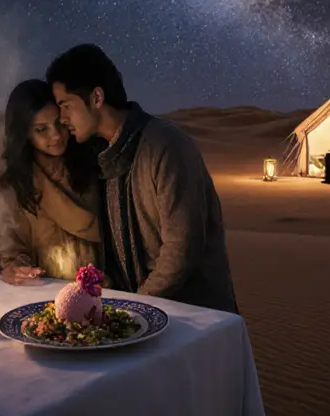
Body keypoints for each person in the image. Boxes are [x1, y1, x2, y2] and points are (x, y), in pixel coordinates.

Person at [45, 43, 239, 314]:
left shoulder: (166, 145)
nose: (62, 119)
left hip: (192, 316)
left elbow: (181, 249)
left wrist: (134, 307)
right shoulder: (100, 157)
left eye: (66, 106)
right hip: (141, 313)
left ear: (97, 97)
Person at [0, 79, 103, 286]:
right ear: (24, 133)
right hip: (45, 294)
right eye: (41, 129)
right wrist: (15, 268)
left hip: (105, 291)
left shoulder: (94, 166)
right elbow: (10, 246)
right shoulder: (16, 183)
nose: (56, 135)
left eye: (59, 124)